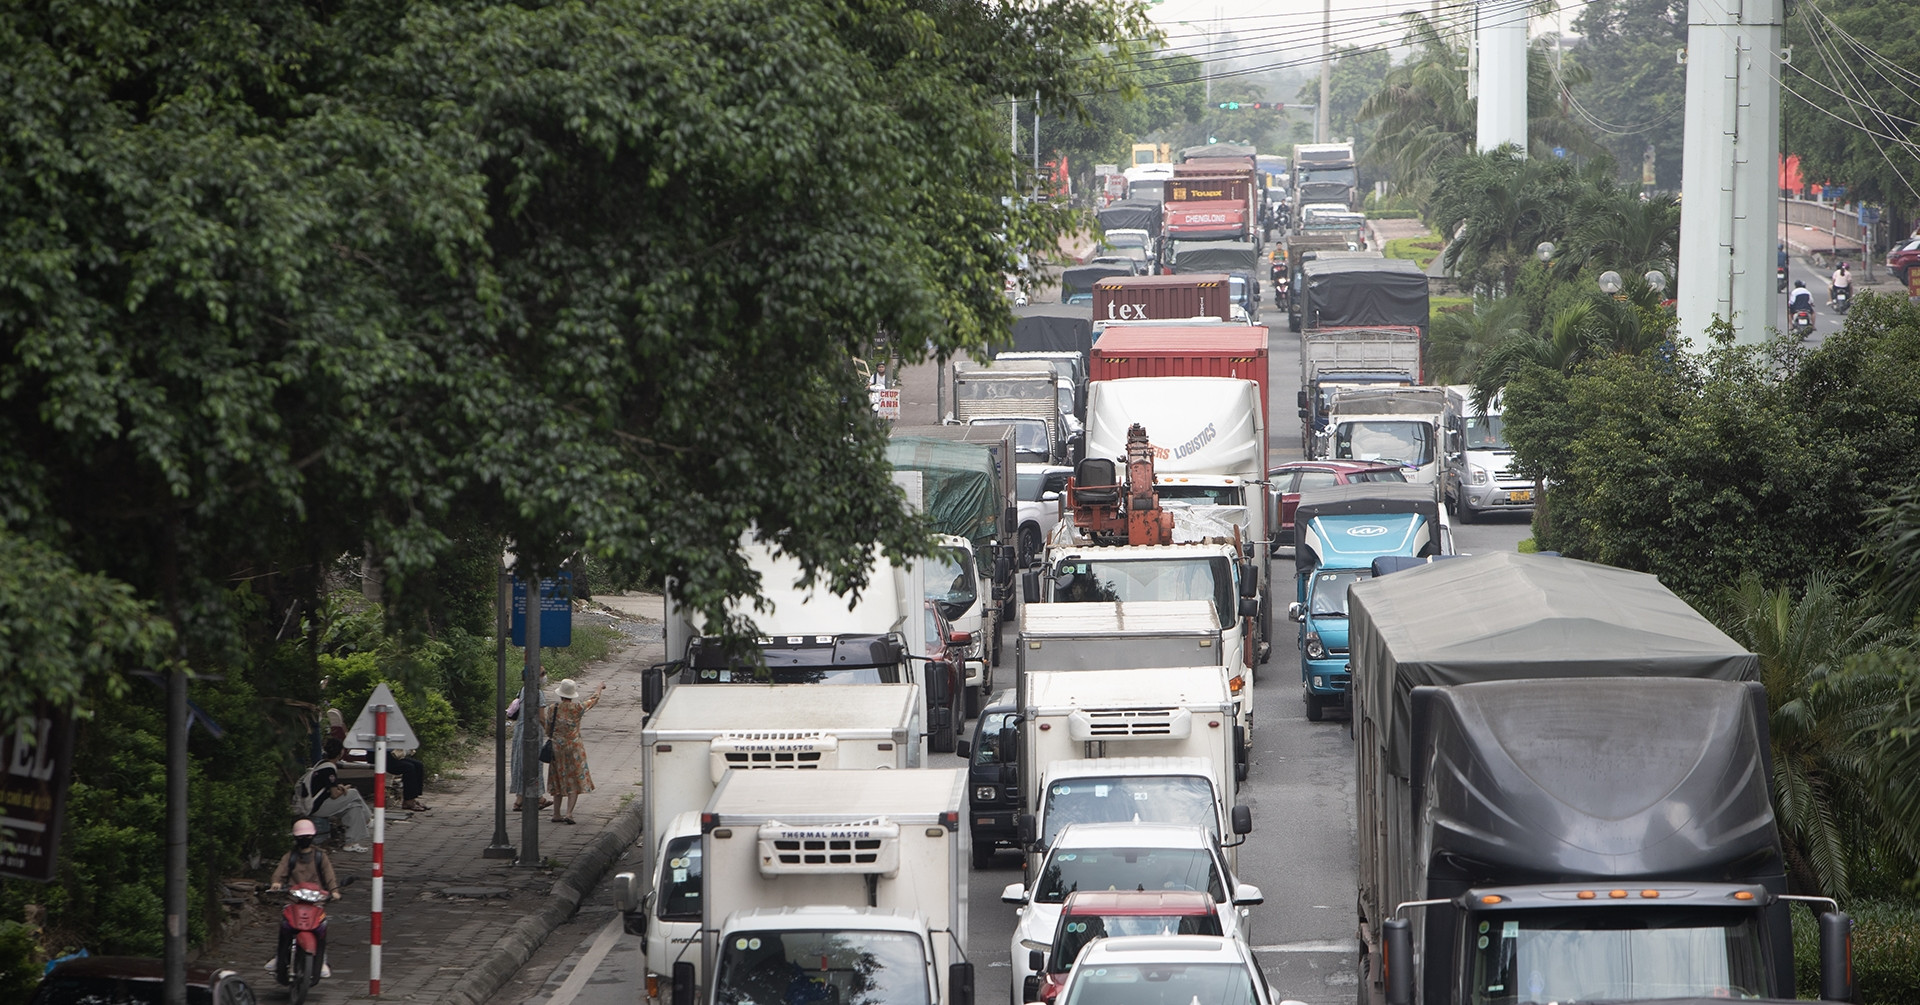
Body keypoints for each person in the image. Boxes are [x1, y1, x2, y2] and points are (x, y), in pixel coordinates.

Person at [264, 819, 339, 978]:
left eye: (307, 836)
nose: (304, 840)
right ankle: (279, 957)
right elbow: (280, 872)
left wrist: (334, 891)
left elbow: (329, 874)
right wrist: (276, 883)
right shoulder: (289, 857)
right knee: (285, 927)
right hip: (293, 901)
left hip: (316, 901)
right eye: (301, 837)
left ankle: (322, 959)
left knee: (322, 927)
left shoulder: (320, 856)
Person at [327, 708, 430, 812]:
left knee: (418, 765)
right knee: (409, 768)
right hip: (377, 754)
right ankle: (408, 801)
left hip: (387, 753)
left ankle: (412, 798)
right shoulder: (372, 723)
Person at [547, 678, 605, 824]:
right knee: (573, 779)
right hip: (574, 748)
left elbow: (548, 729)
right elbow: (593, 700)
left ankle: (556, 813)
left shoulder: (553, 708)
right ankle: (569, 813)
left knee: (558, 778)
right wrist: (599, 687)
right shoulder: (577, 708)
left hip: (556, 748)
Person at [302, 738, 372, 853]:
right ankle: (368, 819)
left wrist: (341, 788)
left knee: (355, 807)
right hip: (317, 807)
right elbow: (334, 795)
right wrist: (346, 789)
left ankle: (351, 843)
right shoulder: (329, 768)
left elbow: (328, 787)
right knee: (353, 793)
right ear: (341, 752)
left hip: (319, 803)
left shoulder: (321, 764)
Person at [508, 677, 553, 813]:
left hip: (519, 731)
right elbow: (541, 716)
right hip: (532, 732)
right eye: (543, 673)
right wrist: (549, 730)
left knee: (520, 763)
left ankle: (523, 798)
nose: (545, 676)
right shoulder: (537, 693)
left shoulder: (522, 690)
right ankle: (531, 798)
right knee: (533, 764)